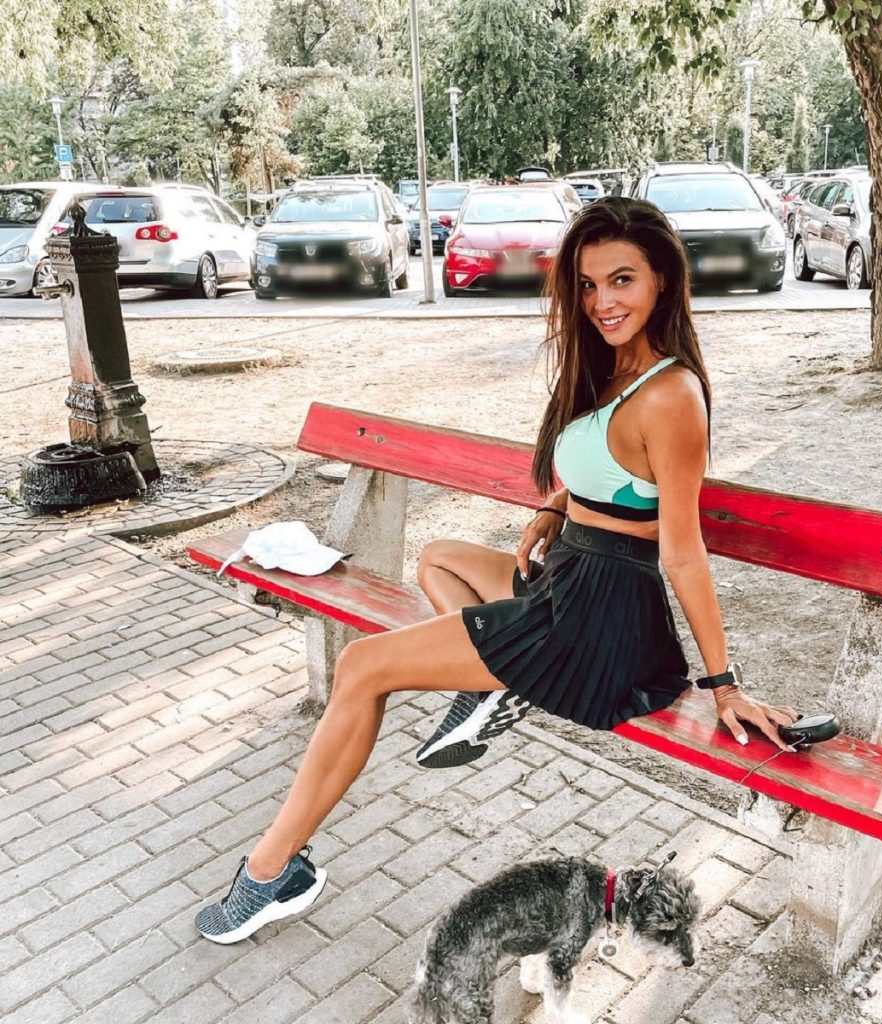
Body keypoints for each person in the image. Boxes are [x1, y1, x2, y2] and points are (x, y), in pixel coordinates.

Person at [194, 196, 798, 944]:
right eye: (587, 285)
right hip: (570, 576)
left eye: (623, 280)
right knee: (439, 558)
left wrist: (723, 684)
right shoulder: (614, 369)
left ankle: (270, 872)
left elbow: (680, 546)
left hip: (598, 616)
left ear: (663, 283)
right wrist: (555, 507)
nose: (602, 302)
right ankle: (495, 688)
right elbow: (616, 476)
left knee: (362, 666)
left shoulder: (671, 394)